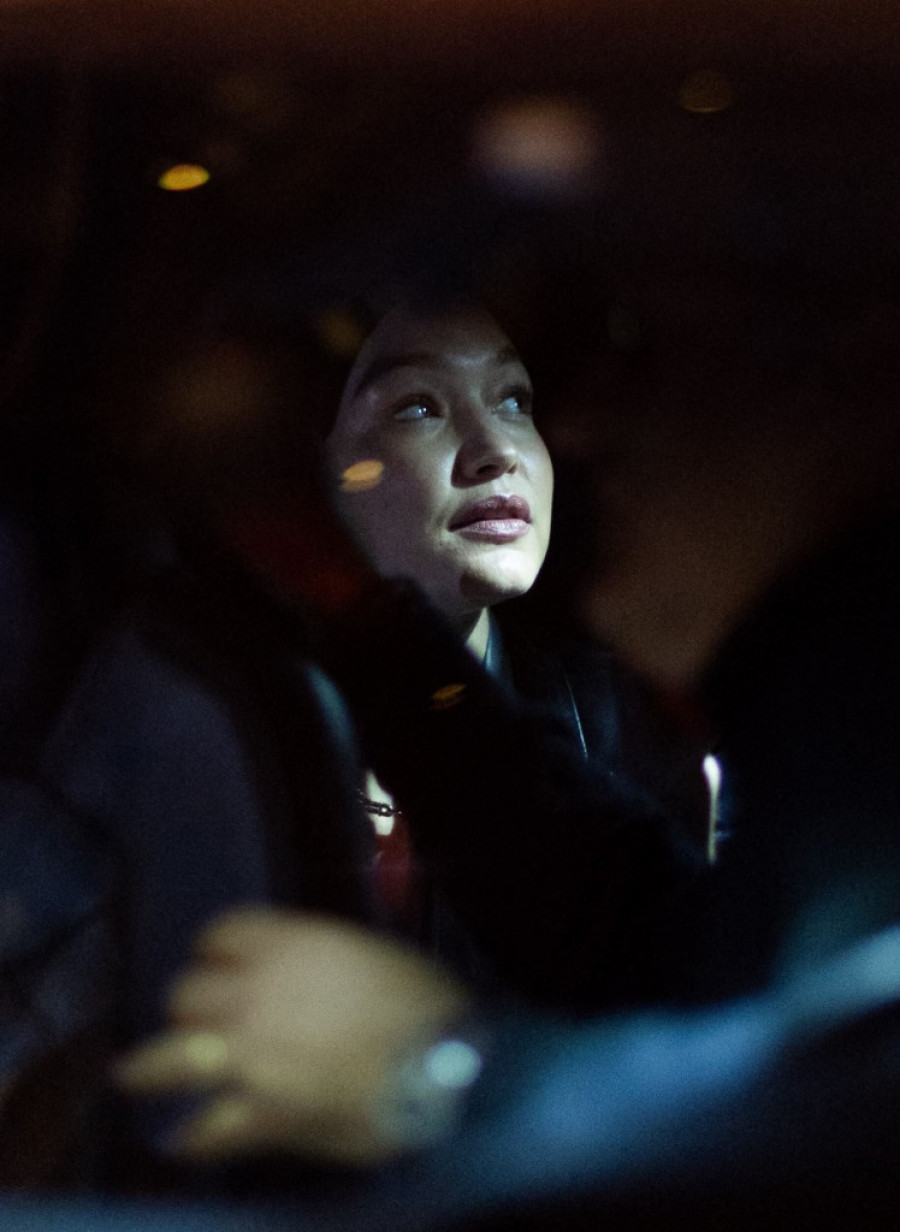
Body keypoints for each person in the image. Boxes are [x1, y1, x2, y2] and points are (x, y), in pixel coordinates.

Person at [116, 277, 900, 1231]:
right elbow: (638, 931)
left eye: (650, 363)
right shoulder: (818, 716)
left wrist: (437, 1072)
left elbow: (846, 1115)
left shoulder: (808, 724)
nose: (564, 434)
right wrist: (358, 615)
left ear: (857, 373)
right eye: (417, 406)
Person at [0, 296, 705, 1186]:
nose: (499, 451)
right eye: (419, 407)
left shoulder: (616, 718)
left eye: (514, 401)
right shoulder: (175, 700)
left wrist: (437, 1071)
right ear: (302, 462)